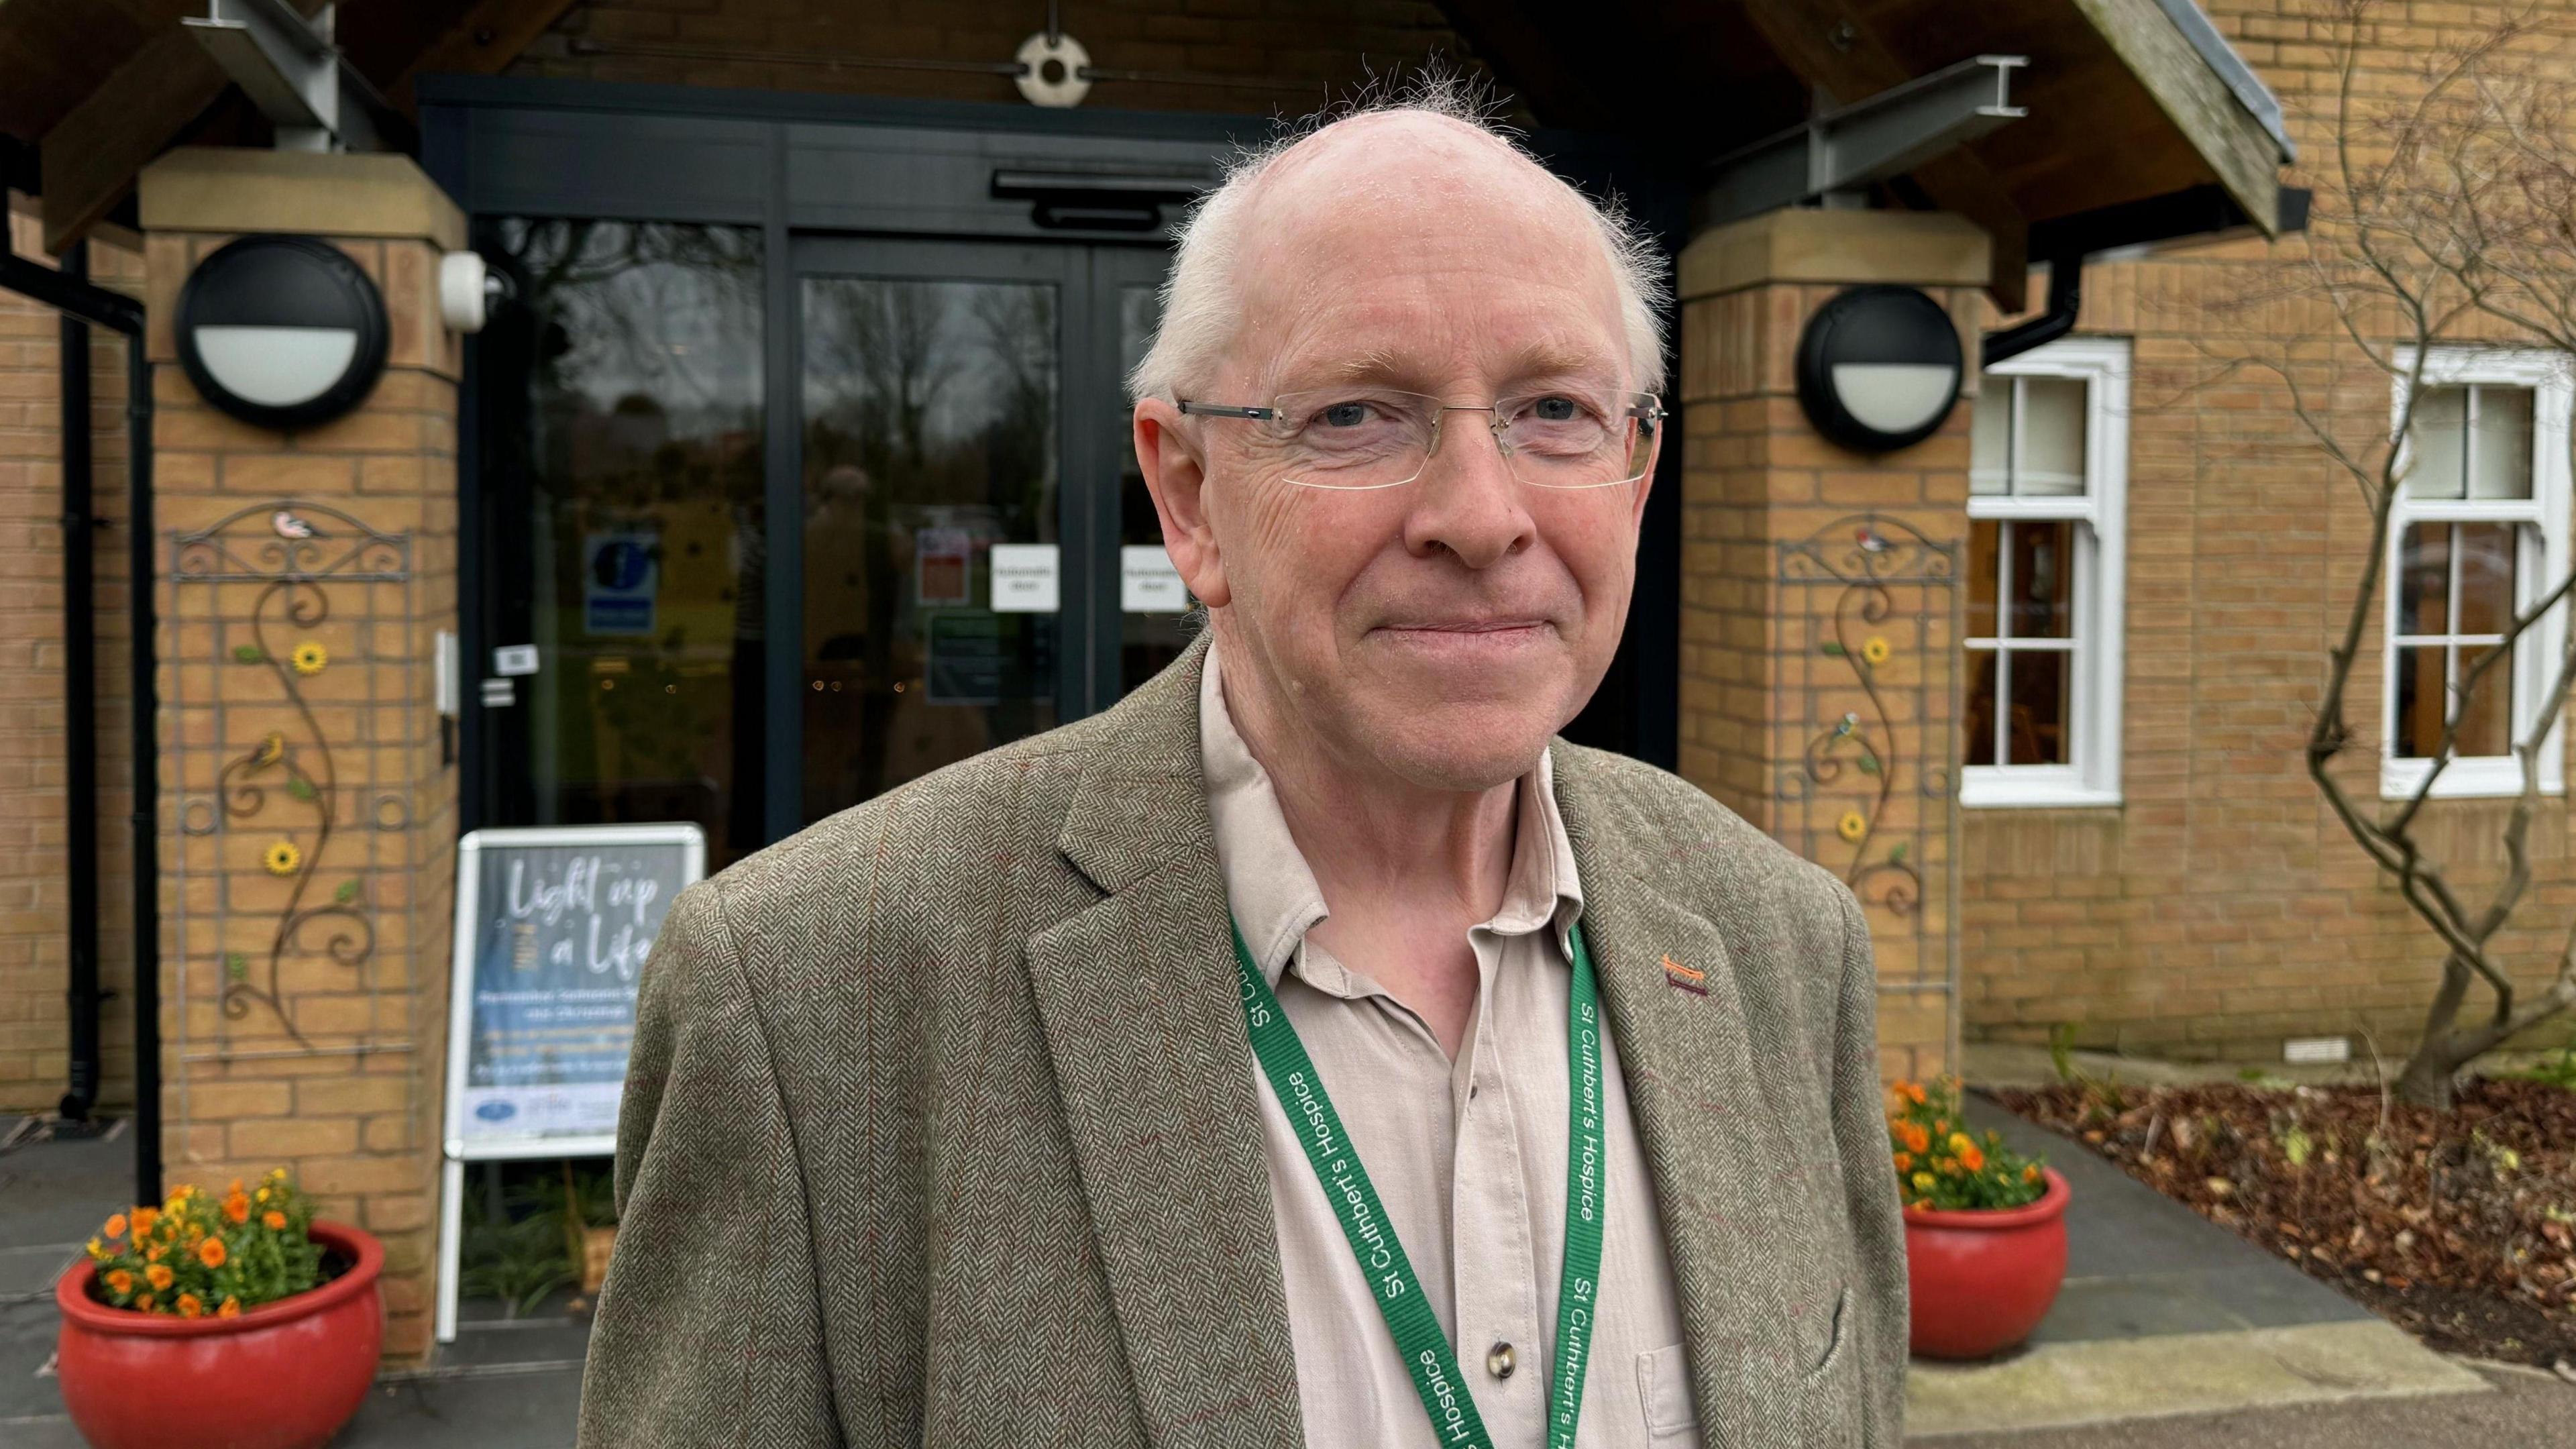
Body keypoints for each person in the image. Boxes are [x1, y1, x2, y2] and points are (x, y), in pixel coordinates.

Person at [578, 87, 1904, 1449]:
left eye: (1554, 408)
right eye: (1357, 416)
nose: (1480, 516)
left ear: (1633, 478)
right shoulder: (811, 1002)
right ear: (1191, 497)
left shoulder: (1783, 946)